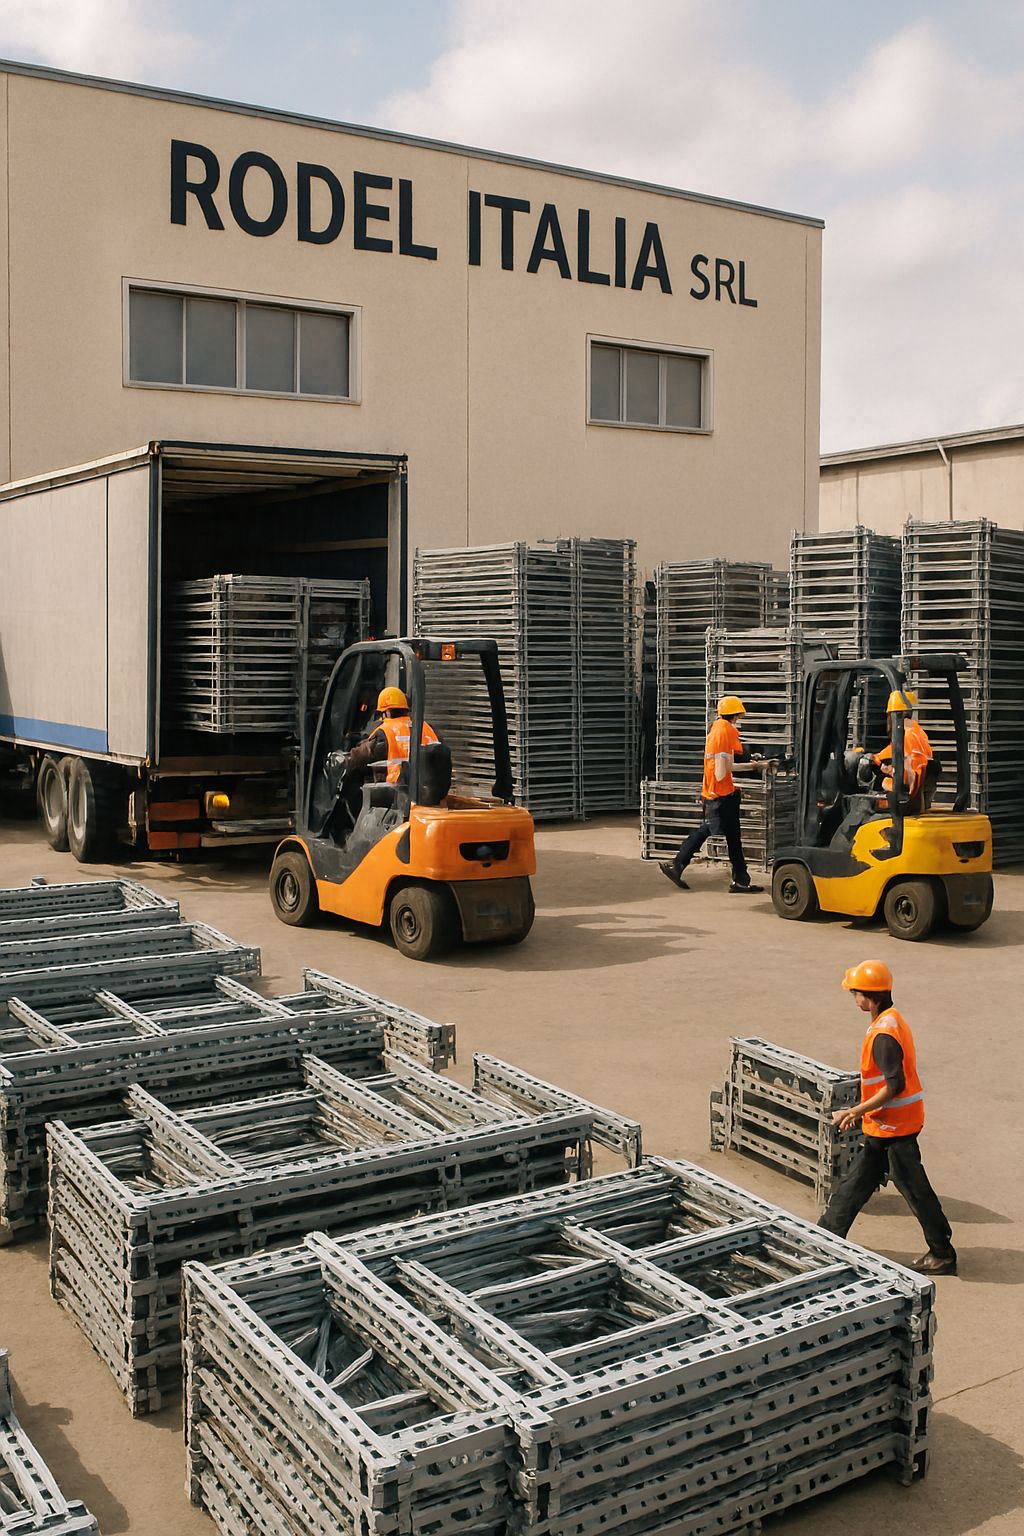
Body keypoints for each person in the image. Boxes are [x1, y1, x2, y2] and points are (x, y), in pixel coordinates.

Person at [819, 959, 956, 1276]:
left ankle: (942, 1253)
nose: (855, 999)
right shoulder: (891, 1019)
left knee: (916, 1191)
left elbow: (895, 1085)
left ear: (869, 996)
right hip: (884, 1127)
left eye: (856, 993)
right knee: (855, 1184)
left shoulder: (884, 1035)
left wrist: (854, 1110)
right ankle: (825, 1237)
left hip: (896, 1129)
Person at [659, 695, 764, 894]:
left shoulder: (716, 728)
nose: (739, 719)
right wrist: (755, 766)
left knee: (734, 837)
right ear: (735, 715)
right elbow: (723, 770)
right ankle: (677, 864)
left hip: (719, 792)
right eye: (739, 716)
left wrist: (753, 764)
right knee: (706, 830)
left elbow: (721, 763)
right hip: (720, 795)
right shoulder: (727, 731)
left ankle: (741, 880)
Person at [343, 687, 440, 784]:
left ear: (387, 712)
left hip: (397, 790)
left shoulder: (385, 732)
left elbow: (359, 756)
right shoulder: (426, 727)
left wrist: (343, 759)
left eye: (381, 713)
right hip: (430, 789)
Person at [873, 690, 933, 799]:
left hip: (908, 794)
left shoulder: (905, 735)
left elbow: (910, 774)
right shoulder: (915, 731)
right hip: (915, 791)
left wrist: (889, 769)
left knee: (876, 783)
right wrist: (874, 759)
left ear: (894, 715)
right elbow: (888, 753)